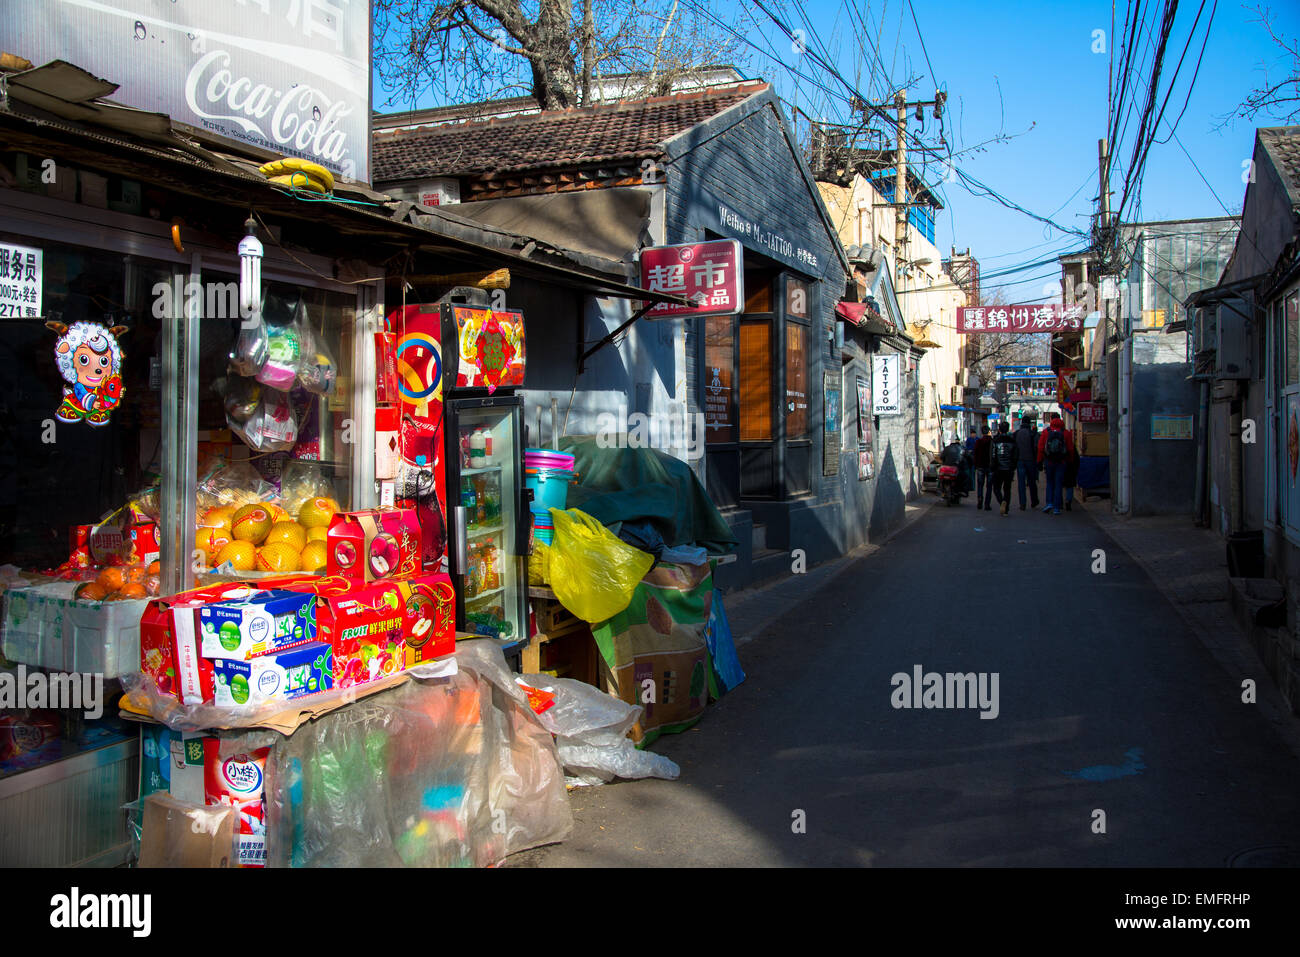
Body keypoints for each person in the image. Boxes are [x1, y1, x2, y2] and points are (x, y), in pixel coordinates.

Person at [1037, 413, 1076, 515]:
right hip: (1061, 462)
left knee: (1050, 483)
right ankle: (1057, 507)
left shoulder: (1046, 432)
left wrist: (1039, 461)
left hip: (1049, 461)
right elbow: (1070, 449)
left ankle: (1049, 503)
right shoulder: (1066, 433)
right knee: (1058, 484)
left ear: (1051, 420)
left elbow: (1040, 448)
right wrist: (1070, 460)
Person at [989, 421, 1018, 516]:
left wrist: (992, 467)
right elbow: (1015, 456)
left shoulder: (995, 441)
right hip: (1009, 469)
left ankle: (1002, 502)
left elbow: (993, 455)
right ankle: (1006, 508)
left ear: (999, 430)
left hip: (998, 468)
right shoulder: (1012, 441)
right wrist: (1013, 466)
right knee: (1007, 489)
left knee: (996, 488)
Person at [1014, 417, 1040, 511]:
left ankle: (1022, 503)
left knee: (1021, 483)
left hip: (1020, 461)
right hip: (1031, 460)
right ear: (1030, 423)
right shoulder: (1033, 434)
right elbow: (1037, 448)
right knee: (1032, 482)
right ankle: (1034, 500)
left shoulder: (1016, 434)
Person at [973, 426, 993, 510]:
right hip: (990, 466)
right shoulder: (992, 441)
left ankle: (980, 500)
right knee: (989, 486)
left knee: (980, 485)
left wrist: (975, 465)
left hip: (980, 466)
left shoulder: (978, 442)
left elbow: (975, 454)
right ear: (988, 432)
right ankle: (987, 504)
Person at [1063, 437, 1081, 511]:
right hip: (1070, 467)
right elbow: (1076, 459)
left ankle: (1057, 503)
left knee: (1057, 485)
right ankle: (1068, 501)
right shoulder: (1071, 445)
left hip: (1060, 466)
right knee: (1069, 486)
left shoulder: (1059, 445)